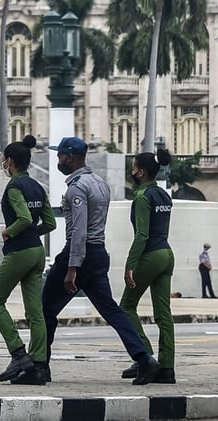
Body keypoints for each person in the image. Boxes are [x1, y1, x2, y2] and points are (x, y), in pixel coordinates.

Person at [42, 137, 161, 386]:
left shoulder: (77, 188)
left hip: (79, 254)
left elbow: (79, 231)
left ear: (71, 157)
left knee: (45, 310)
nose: (58, 160)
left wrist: (72, 268)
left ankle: (40, 364)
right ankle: (143, 358)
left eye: (60, 156)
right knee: (112, 310)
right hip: (98, 254)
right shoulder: (100, 184)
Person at [0, 135, 56, 386]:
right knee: (35, 312)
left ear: (10, 162)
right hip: (37, 252)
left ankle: (17, 353)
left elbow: (25, 218)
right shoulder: (38, 187)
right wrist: (30, 234)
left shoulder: (14, 187)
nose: (3, 164)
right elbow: (50, 223)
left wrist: (9, 232)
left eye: (4, 160)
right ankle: (38, 365)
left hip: (19, 252)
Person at [118, 148, 176, 384]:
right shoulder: (164, 196)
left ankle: (146, 358)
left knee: (125, 307)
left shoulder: (142, 197)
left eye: (133, 167)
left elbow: (142, 235)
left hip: (150, 255)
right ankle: (167, 367)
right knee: (163, 314)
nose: (131, 171)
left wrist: (130, 265)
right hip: (166, 254)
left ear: (140, 172)